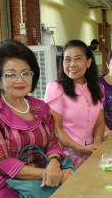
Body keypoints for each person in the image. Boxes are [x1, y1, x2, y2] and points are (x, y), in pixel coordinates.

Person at [0, 40, 73, 198]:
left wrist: (54, 163)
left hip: (48, 180)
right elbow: (1, 163)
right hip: (9, 187)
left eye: (26, 73)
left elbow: (54, 141)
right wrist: (49, 173)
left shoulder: (40, 107)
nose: (20, 79)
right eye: (10, 74)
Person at [44, 40, 105, 168]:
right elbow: (55, 129)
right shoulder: (56, 88)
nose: (72, 64)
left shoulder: (97, 88)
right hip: (65, 156)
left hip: (91, 151)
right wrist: (79, 148)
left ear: (89, 62)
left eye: (78, 59)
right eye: (67, 60)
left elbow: (99, 122)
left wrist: (98, 141)